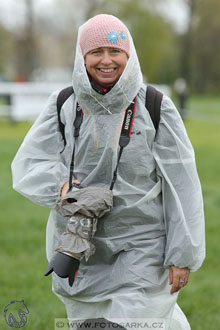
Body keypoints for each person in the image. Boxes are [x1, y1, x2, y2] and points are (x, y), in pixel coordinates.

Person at [11, 14, 205, 330]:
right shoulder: (64, 104)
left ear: (128, 55)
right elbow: (27, 164)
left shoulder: (156, 107)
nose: (106, 61)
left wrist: (183, 255)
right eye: (95, 52)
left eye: (115, 51)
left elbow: (182, 185)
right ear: (81, 56)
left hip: (142, 250)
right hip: (79, 249)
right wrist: (60, 186)